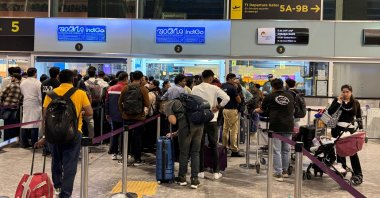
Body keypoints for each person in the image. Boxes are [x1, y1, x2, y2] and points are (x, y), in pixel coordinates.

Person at [35, 69, 93, 197]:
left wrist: (44, 135)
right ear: (72, 80)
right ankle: (66, 193)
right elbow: (90, 112)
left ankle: (57, 186)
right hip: (74, 132)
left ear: (59, 80)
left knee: (56, 159)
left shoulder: (51, 94)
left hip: (53, 133)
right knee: (70, 163)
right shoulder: (80, 93)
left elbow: (45, 115)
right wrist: (80, 113)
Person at [192, 70, 230, 180]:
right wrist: (218, 107)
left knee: (200, 146)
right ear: (210, 78)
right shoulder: (215, 88)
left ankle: (200, 171)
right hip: (212, 119)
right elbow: (227, 98)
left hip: (199, 120)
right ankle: (216, 172)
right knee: (214, 146)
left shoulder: (195, 88)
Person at [254, 78, 295, 182]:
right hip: (289, 125)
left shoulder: (270, 96)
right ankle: (285, 171)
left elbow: (262, 109)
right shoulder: (290, 95)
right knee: (286, 150)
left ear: (272, 87)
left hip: (276, 125)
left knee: (276, 150)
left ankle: (278, 174)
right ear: (282, 86)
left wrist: (255, 110)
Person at [163, 95, 204, 189]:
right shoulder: (191, 100)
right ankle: (194, 180)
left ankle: (182, 178)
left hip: (186, 128)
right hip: (199, 126)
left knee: (184, 153)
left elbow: (173, 121)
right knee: (195, 153)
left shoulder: (168, 104)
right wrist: (175, 133)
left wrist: (168, 115)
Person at [328, 84, 363, 183]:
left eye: (347, 92)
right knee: (340, 152)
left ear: (351, 92)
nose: (345, 93)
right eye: (343, 91)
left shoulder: (355, 102)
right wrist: (338, 102)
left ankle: (358, 173)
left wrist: (361, 129)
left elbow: (359, 117)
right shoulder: (337, 101)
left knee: (353, 152)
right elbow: (330, 112)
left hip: (350, 130)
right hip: (338, 129)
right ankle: (341, 172)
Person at [118, 70, 150, 165]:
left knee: (125, 137)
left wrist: (123, 112)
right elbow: (147, 104)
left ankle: (124, 156)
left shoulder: (125, 88)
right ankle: (137, 158)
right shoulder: (143, 89)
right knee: (137, 138)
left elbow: (119, 102)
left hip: (126, 117)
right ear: (141, 79)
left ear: (131, 78)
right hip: (138, 118)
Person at [106, 72, 128, 160]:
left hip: (113, 114)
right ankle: (123, 152)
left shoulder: (111, 88)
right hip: (125, 115)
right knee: (124, 134)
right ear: (126, 78)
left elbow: (107, 102)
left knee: (114, 133)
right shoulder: (127, 88)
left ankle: (114, 152)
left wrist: (107, 113)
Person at [221, 73, 243, 157]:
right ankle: (234, 150)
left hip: (225, 109)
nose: (235, 81)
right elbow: (239, 100)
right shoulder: (232, 88)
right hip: (232, 110)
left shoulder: (223, 86)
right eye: (234, 79)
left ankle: (224, 147)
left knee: (225, 129)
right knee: (233, 130)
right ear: (229, 79)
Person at [20, 68, 42, 148]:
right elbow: (40, 96)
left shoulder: (23, 82)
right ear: (35, 73)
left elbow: (22, 92)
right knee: (34, 124)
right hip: (35, 104)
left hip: (26, 103)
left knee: (24, 123)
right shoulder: (37, 82)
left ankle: (24, 143)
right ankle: (34, 143)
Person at [0, 73, 23, 141]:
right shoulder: (21, 86)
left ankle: (5, 138)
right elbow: (21, 99)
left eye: (11, 77)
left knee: (4, 123)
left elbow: (2, 95)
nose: (11, 79)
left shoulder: (11, 85)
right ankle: (10, 138)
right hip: (15, 108)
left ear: (14, 78)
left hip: (6, 107)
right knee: (12, 123)